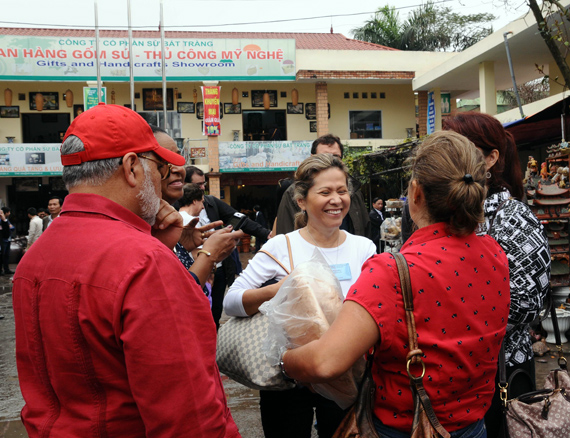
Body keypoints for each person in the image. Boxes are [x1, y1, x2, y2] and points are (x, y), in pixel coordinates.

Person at [12, 104, 240, 438]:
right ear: (132, 166)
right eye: (158, 168)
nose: (162, 180)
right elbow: (190, 417)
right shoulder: (145, 262)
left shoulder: (36, 256)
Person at [281, 131, 511, 438]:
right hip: (473, 427)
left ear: (415, 193)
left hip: (405, 429)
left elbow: (326, 362)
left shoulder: (391, 270)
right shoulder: (495, 254)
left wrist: (284, 361)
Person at [224, 153, 376, 438]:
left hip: (345, 374)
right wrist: (281, 289)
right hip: (289, 376)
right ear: (302, 201)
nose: (336, 200)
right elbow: (232, 301)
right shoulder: (281, 246)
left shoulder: (364, 248)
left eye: (342, 191)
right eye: (325, 192)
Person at [443, 111, 551, 438]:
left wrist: (449, 312)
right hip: (447, 376)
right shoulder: (441, 213)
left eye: (459, 148)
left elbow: (529, 304)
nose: (447, 156)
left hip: (500, 375)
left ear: (491, 159)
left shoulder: (514, 220)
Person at [151, 124, 243, 301]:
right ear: (132, 167)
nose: (178, 168)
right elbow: (175, 301)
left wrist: (181, 248)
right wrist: (208, 257)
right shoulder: (125, 232)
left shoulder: (164, 226)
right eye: (163, 161)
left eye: (178, 158)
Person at [185, 165, 272, 329]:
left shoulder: (211, 202)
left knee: (215, 311)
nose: (202, 188)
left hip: (218, 268)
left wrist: (266, 234)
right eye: (198, 185)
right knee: (196, 313)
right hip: (193, 268)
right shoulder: (175, 209)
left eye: (204, 183)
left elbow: (241, 220)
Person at [274, 134, 370, 238]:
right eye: (325, 193)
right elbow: (285, 233)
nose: (336, 200)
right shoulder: (294, 193)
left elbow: (365, 228)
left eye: (335, 157)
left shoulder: (354, 189)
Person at [0, 206, 14, 274]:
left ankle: (6, 269)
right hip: (2, 240)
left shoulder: (6, 220)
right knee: (2, 255)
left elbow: (12, 227)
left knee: (6, 255)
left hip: (7, 240)